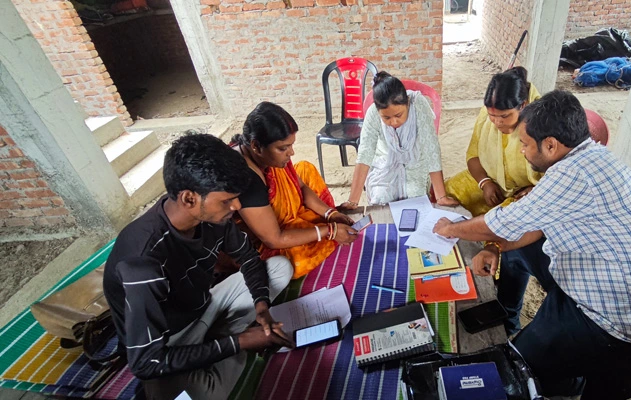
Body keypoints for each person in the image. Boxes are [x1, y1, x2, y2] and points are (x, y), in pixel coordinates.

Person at [433, 91, 631, 399]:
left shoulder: (573, 174)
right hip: (610, 281)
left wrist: (451, 228)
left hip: (621, 323)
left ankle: (558, 374)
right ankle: (510, 318)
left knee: (516, 365)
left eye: (525, 145)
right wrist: (496, 247)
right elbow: (533, 225)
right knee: (519, 251)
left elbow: (501, 221)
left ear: (550, 145)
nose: (523, 153)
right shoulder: (589, 157)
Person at [103, 133, 296, 400]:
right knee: (201, 395)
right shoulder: (142, 262)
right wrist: (240, 342)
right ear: (189, 199)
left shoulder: (214, 217)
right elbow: (145, 362)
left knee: (279, 268)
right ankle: (230, 342)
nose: (237, 206)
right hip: (169, 340)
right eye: (227, 200)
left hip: (204, 306)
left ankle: (223, 342)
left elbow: (249, 259)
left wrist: (262, 307)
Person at [231, 102, 357, 279]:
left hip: (279, 220)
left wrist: (330, 214)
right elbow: (274, 239)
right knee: (295, 258)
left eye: (291, 145)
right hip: (264, 240)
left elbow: (302, 186)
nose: (291, 152)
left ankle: (314, 221)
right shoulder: (247, 179)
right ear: (256, 146)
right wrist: (330, 231)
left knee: (306, 169)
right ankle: (313, 225)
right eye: (283, 148)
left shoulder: (269, 158)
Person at [339, 71, 458, 208]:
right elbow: (365, 154)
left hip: (415, 165)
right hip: (385, 167)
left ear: (407, 102)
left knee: (416, 199)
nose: (394, 122)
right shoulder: (373, 113)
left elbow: (431, 149)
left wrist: (441, 197)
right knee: (380, 200)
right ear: (378, 111)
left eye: (398, 115)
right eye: (386, 118)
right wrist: (352, 201)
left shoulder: (418, 105)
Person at [444, 67, 543, 216]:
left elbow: (556, 174)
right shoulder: (487, 115)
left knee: (503, 220)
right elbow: (473, 155)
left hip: (526, 192)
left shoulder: (542, 123)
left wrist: (535, 190)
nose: (497, 122)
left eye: (504, 116)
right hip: (491, 180)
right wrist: (485, 183)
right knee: (447, 192)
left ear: (523, 105)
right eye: (492, 115)